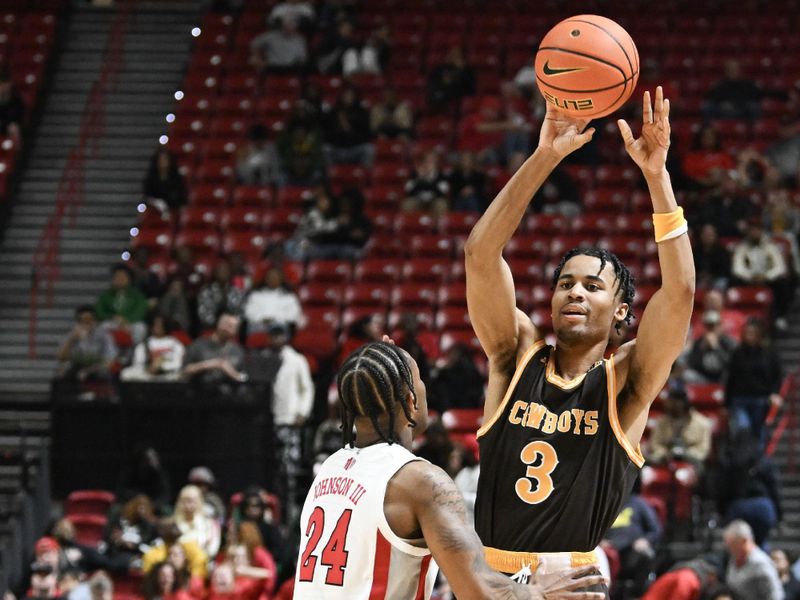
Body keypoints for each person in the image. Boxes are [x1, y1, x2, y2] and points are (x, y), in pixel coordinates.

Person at [465, 87, 694, 587]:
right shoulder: (515, 354)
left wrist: (658, 179)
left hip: (569, 581)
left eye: (593, 287)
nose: (575, 293)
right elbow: (481, 254)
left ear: (621, 312)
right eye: (565, 283)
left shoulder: (628, 379)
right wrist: (544, 157)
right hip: (488, 579)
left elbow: (680, 292)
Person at [294, 340, 606, 598]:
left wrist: (386, 362)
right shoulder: (419, 481)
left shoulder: (329, 470)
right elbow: (478, 591)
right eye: (419, 380)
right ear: (411, 400)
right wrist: (539, 593)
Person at [716, 430, 782, 547]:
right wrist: (779, 515)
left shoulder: (731, 462)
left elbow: (721, 489)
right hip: (763, 507)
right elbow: (774, 489)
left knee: (739, 547)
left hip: (738, 508)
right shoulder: (764, 462)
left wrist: (722, 513)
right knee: (761, 545)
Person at [725, 318, 783, 445]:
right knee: (743, 428)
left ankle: (757, 462)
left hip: (761, 400)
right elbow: (731, 378)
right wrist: (727, 403)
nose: (749, 335)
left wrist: (775, 393)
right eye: (747, 332)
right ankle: (743, 460)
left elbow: (777, 376)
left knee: (759, 432)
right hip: (740, 399)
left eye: (752, 332)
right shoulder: (738, 353)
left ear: (759, 334)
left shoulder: (769, 354)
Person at [601, 487, 662, 599]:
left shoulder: (638, 503)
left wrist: (645, 540)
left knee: (647, 555)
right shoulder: (605, 504)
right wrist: (599, 542)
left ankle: (637, 594)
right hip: (608, 550)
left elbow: (655, 530)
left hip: (632, 550)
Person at [731, 221, 792, 329]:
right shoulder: (742, 247)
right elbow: (737, 267)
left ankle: (780, 316)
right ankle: (738, 315)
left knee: (783, 282)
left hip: (767, 279)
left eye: (757, 230)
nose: (755, 233)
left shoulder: (770, 245)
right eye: (752, 230)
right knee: (732, 280)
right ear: (748, 232)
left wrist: (767, 276)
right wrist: (750, 276)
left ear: (761, 231)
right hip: (749, 279)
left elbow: (779, 267)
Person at [647, 388, 712, 467]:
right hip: (665, 460)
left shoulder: (702, 423)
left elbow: (703, 450)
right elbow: (655, 444)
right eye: (670, 401)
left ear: (684, 403)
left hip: (691, 461)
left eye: (675, 401)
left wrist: (684, 454)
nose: (670, 404)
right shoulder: (661, 421)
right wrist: (665, 453)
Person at [723, 520, 784, 600]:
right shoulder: (734, 559)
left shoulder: (760, 563)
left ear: (744, 541)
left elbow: (775, 596)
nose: (729, 549)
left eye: (732, 544)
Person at [56, 305, 117, 382]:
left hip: (97, 368)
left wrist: (88, 370)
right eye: (82, 321)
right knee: (61, 374)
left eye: (89, 320)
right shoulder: (72, 335)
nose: (86, 324)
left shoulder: (105, 336)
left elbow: (109, 360)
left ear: (95, 321)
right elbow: (61, 358)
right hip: (77, 367)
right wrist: (71, 339)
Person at [183, 313, 247, 386]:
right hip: (200, 392)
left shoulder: (238, 352)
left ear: (236, 331)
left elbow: (244, 378)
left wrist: (230, 371)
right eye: (226, 324)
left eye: (232, 326)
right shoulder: (199, 345)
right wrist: (211, 364)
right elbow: (185, 370)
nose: (228, 328)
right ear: (218, 324)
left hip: (227, 394)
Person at [120, 314, 186, 382]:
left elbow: (179, 363)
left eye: (160, 325)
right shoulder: (144, 344)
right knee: (125, 373)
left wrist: (161, 366)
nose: (157, 327)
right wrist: (150, 368)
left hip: (167, 374)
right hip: (148, 373)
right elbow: (138, 363)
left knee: (180, 374)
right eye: (155, 325)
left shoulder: (175, 344)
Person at [95, 264, 149, 345]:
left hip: (131, 323)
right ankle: (110, 355)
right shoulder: (106, 295)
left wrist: (126, 320)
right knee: (101, 328)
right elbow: (100, 310)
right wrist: (112, 317)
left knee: (141, 328)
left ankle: (134, 352)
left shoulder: (137, 295)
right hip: (112, 322)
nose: (120, 279)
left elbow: (140, 311)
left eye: (123, 277)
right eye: (117, 277)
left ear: (129, 279)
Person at [322, 85, 373, 166]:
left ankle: (366, 176)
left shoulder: (361, 112)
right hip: (338, 149)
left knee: (368, 149)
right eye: (346, 95)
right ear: (341, 96)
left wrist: (350, 129)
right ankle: (329, 176)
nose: (348, 97)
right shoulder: (334, 112)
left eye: (350, 95)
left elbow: (367, 135)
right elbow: (327, 134)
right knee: (326, 149)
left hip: (354, 149)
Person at [243, 267, 303, 333]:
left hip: (281, 328)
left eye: (275, 277)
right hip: (259, 326)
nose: (273, 279)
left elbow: (293, 315)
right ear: (266, 279)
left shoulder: (289, 297)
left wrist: (275, 319)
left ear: (281, 279)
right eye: (270, 277)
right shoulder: (255, 295)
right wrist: (263, 319)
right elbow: (248, 313)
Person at [142, 519, 207, 579]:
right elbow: (148, 577)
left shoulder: (187, 546)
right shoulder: (153, 554)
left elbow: (200, 558)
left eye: (174, 526)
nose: (171, 530)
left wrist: (194, 578)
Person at [685, 310, 736, 383]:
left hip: (721, 377)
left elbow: (730, 364)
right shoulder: (699, 342)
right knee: (688, 375)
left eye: (714, 325)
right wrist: (702, 348)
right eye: (708, 326)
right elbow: (692, 364)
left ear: (720, 326)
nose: (711, 329)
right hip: (704, 376)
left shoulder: (728, 342)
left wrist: (716, 347)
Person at [430, 343, 484, 412]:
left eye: (453, 355)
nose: (451, 357)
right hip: (450, 413)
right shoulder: (443, 374)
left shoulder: (470, 373)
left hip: (462, 411)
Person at [105, 494, 158, 564]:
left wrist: (134, 545)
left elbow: (146, 542)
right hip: (116, 550)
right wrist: (118, 540)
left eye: (144, 509)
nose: (141, 511)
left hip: (134, 555)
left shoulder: (148, 525)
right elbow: (109, 535)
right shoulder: (119, 517)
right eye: (139, 507)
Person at [196, 260, 246, 332]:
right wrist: (217, 324)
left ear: (230, 273)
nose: (223, 273)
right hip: (211, 326)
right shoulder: (206, 290)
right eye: (220, 270)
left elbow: (241, 311)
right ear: (215, 273)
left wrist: (230, 323)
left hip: (232, 327)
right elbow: (203, 313)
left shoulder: (236, 291)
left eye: (225, 271)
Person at [174, 485, 221, 559]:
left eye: (190, 501)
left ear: (199, 501)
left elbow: (212, 550)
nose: (187, 505)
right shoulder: (173, 523)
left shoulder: (209, 524)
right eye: (183, 501)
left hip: (201, 560)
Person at [427, 46, 476, 111]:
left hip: (458, 95)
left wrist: (462, 70)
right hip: (442, 92)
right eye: (452, 54)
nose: (454, 56)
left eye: (457, 55)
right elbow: (433, 80)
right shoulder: (440, 68)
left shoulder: (467, 70)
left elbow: (469, 86)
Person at [403, 149, 450, 214]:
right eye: (427, 160)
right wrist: (419, 179)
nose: (429, 163)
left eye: (431, 161)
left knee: (441, 204)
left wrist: (429, 179)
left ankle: (436, 224)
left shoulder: (441, 175)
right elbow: (408, 189)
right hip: (418, 199)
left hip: (434, 200)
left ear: (435, 162)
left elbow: (443, 191)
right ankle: (410, 223)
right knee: (407, 204)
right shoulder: (415, 174)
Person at [143, 147, 187, 212]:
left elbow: (181, 198)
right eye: (160, 160)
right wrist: (156, 203)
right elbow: (147, 197)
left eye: (165, 159)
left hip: (173, 211)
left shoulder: (176, 178)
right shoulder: (151, 179)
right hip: (154, 212)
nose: (163, 162)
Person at [693, 224, 731, 290]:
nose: (707, 237)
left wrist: (711, 276)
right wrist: (700, 275)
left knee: (721, 283)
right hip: (699, 279)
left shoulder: (722, 251)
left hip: (717, 278)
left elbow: (724, 270)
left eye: (710, 235)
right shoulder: (696, 250)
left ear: (715, 236)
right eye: (705, 234)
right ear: (701, 236)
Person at [0, 70, 24, 140]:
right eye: (1, 84)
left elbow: (20, 115)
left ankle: (14, 150)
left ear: (10, 84)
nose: (4, 87)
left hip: (8, 126)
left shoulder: (16, 99)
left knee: (14, 128)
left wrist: (12, 123)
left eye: (6, 84)